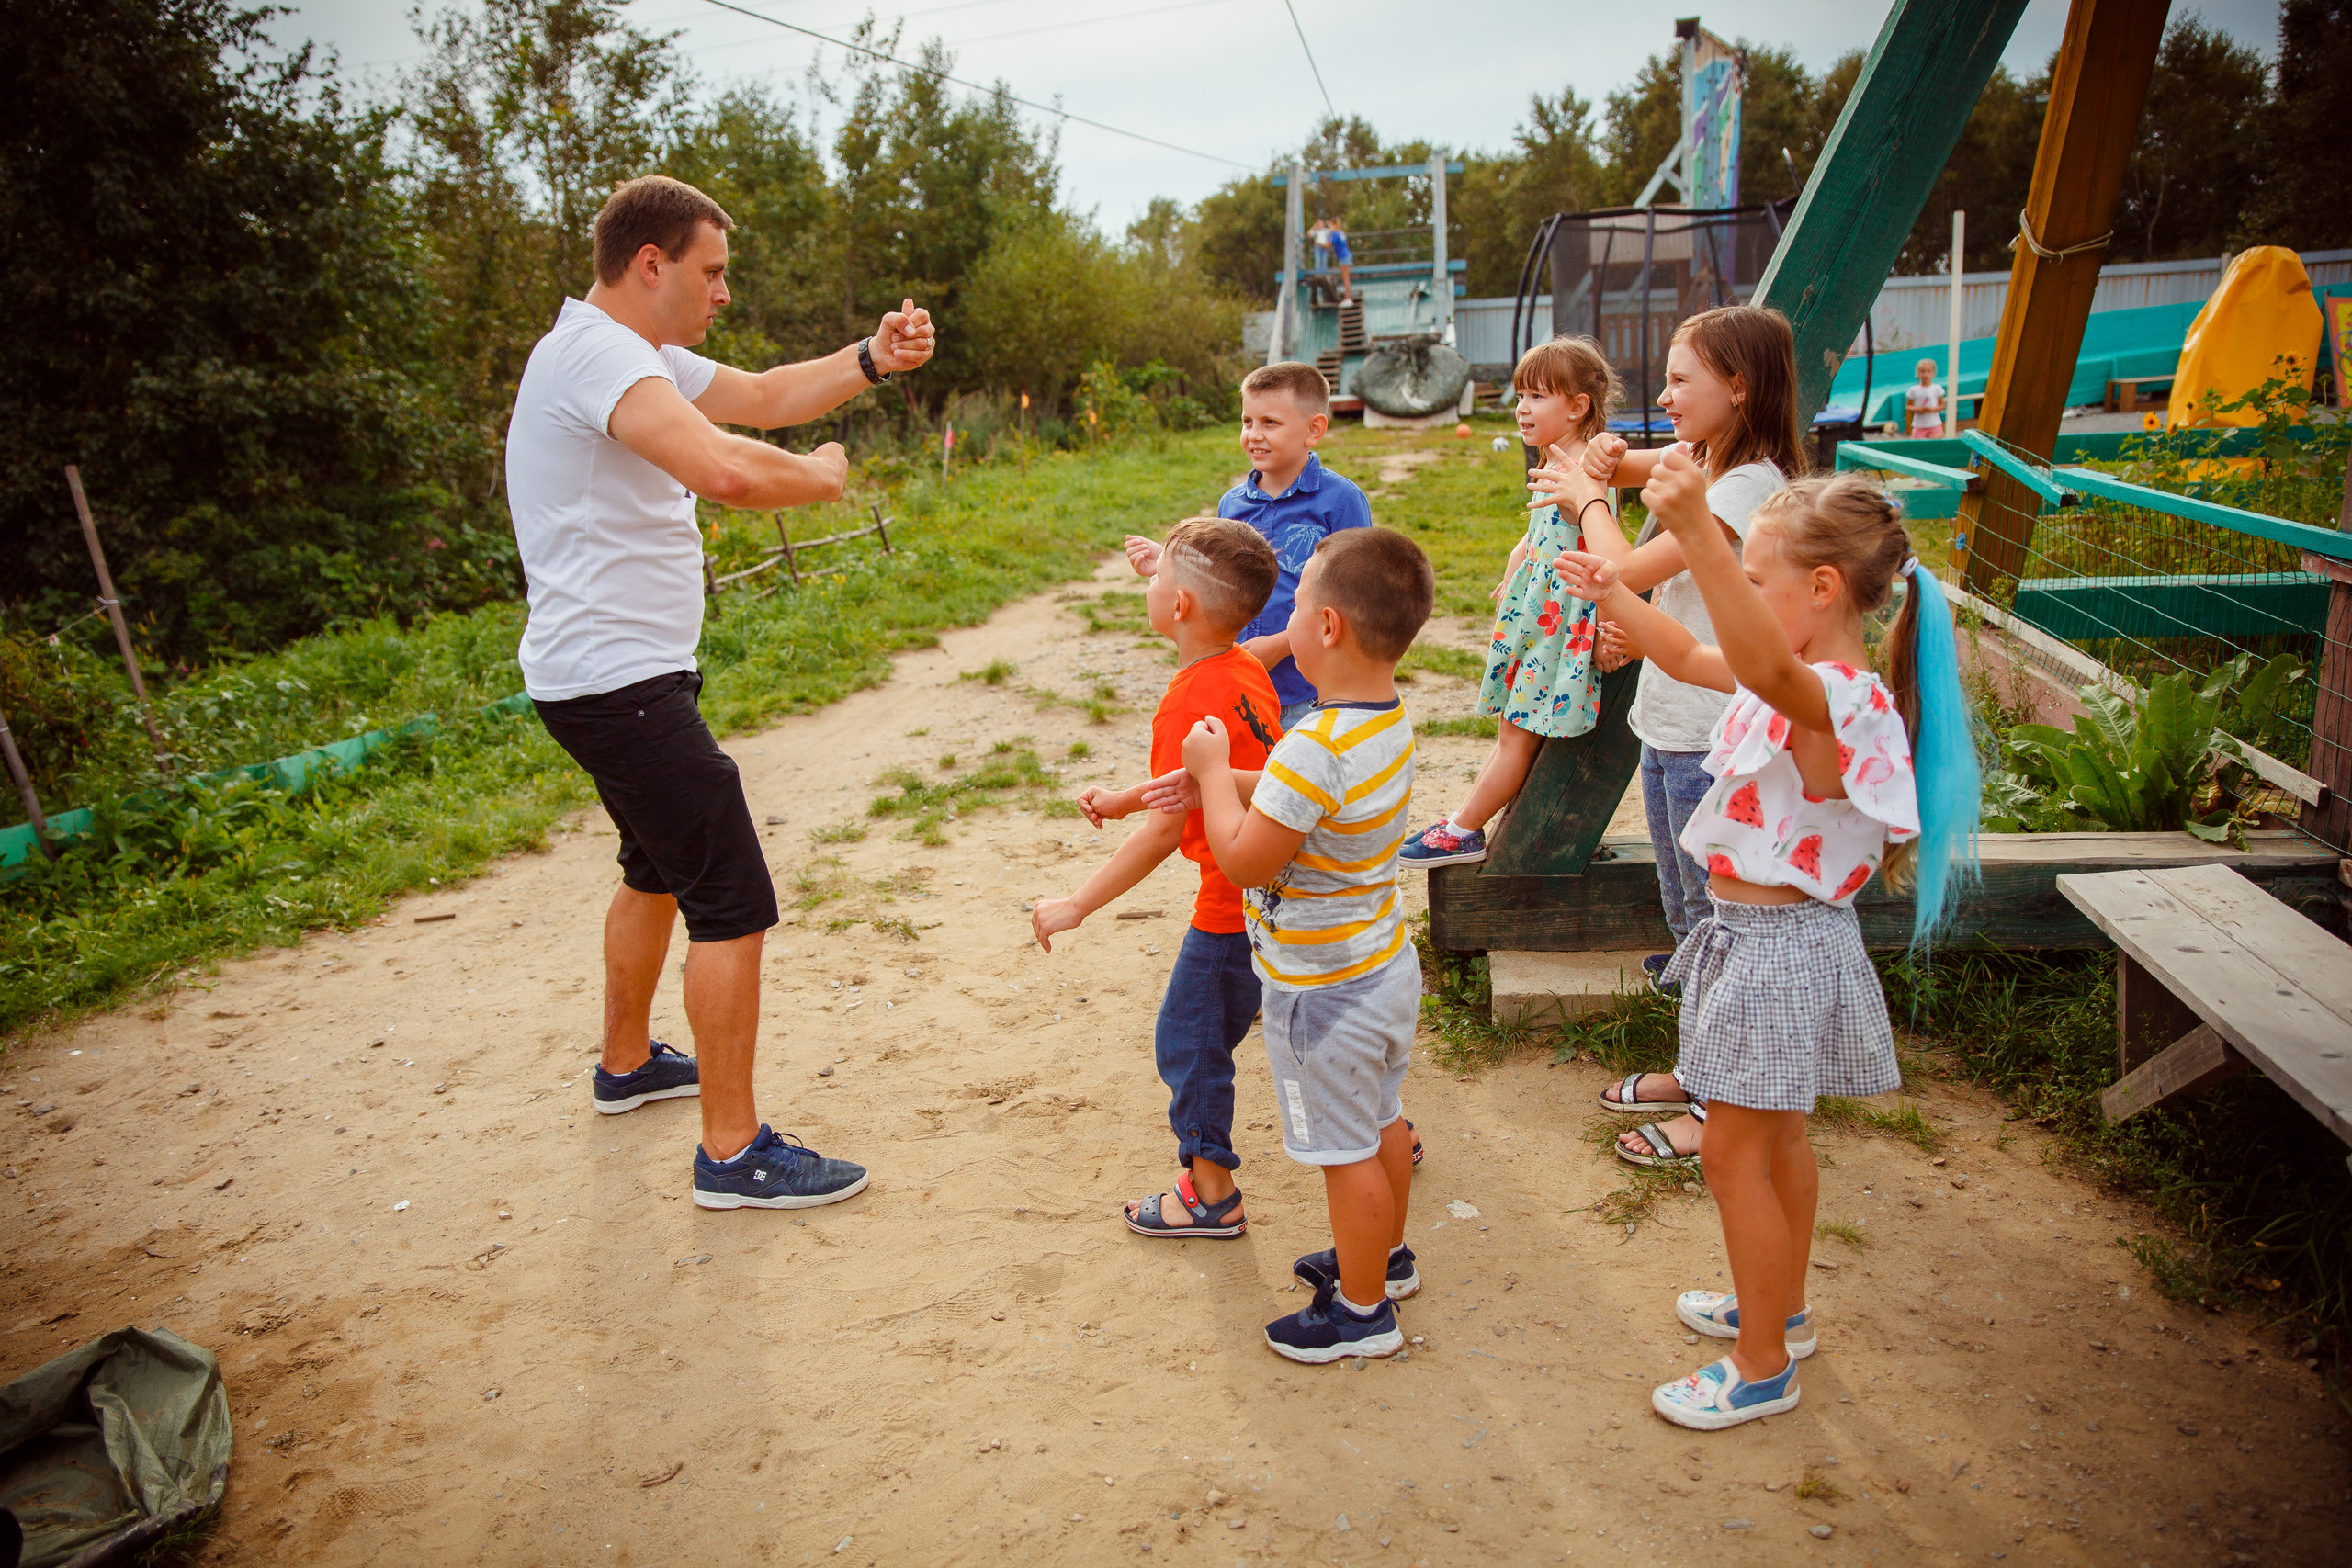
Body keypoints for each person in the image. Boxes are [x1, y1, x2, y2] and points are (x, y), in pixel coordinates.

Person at [508, 174, 934, 1210]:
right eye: (712, 273)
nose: (723, 293)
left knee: (653, 869)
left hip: (614, 676)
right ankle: (733, 1153)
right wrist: (822, 481)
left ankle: (624, 1066)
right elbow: (726, 467)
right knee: (729, 900)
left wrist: (871, 360)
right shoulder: (598, 355)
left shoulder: (624, 351)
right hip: (618, 683)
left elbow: (761, 396)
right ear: (648, 265)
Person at [1552, 461, 1978, 1430]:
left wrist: (1698, 530)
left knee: (1731, 1156)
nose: (1737, 598)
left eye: (1753, 582)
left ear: (1821, 590)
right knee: (1776, 1139)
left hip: (1781, 950)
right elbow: (1694, 659)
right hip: (1757, 942)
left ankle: (1759, 1366)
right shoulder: (1791, 683)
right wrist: (1613, 587)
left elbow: (1751, 664)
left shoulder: (1836, 697)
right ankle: (1778, 1312)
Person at [1179, 528, 1436, 1365]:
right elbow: (1306, 800)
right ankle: (1385, 1261)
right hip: (1380, 972)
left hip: (1321, 996)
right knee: (1381, 1117)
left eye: (1295, 603)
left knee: (1342, 1148)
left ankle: (1361, 1314)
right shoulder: (1380, 722)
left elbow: (1245, 855)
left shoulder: (1313, 744)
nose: (1285, 615)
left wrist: (1216, 774)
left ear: (1327, 628)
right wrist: (1236, 781)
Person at [1572, 305, 1807, 1170]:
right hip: (1676, 726)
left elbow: (1622, 571)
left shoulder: (1742, 488)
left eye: (1681, 381)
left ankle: (1719, 1107)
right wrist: (1606, 457)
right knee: (1690, 919)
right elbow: (1643, 462)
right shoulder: (1711, 459)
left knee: (1718, 922)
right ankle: (1698, 1067)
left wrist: (1590, 496)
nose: (1664, 397)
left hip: (1715, 740)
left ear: (1739, 389)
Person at [1028, 518, 1282, 1238]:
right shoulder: (1247, 671)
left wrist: (1077, 903)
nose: (1149, 585)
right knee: (1305, 1023)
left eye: (1156, 578)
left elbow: (1168, 832)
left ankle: (1211, 1194)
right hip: (1277, 885)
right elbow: (1201, 778)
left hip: (1229, 902)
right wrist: (1124, 796)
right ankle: (1390, 1129)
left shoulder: (1183, 700)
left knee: (1188, 1037)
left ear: (1180, 609)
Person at [1399, 335, 1622, 867]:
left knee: (1516, 737)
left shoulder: (1583, 474)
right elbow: (1539, 533)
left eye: (1537, 396)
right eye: (1520, 395)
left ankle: (1463, 829)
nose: (1522, 407)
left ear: (1577, 406)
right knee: (1513, 733)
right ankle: (1474, 822)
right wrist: (1514, 572)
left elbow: (1605, 548)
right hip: (1538, 621)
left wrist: (1607, 630)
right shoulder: (1558, 463)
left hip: (1557, 628)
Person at [1127, 361, 1370, 732]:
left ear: (1313, 429)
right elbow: (1221, 576)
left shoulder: (1340, 501)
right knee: (1246, 781)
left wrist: (1279, 644)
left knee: (1302, 786)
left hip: (1309, 689)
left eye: (1270, 423)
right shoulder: (1233, 504)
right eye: (1247, 422)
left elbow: (1354, 595)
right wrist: (1166, 562)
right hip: (1240, 684)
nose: (1254, 434)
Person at [1309, 216, 1355, 303]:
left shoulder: (1334, 234)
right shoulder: (1340, 232)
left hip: (1343, 257)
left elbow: (1327, 245)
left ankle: (1348, 298)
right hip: (1346, 255)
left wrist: (1317, 242)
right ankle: (1347, 298)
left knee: (1345, 278)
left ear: (1333, 225)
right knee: (1346, 278)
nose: (1329, 228)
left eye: (1330, 225)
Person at [1905, 358, 1947, 438]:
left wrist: (1933, 409)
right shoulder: (1913, 389)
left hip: (1935, 423)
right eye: (1923, 371)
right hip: (1919, 425)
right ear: (1918, 373)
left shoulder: (1937, 388)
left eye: (1928, 371)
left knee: (1936, 446)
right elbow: (1908, 406)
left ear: (1933, 373)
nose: (1925, 374)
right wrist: (1918, 409)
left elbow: (1942, 405)